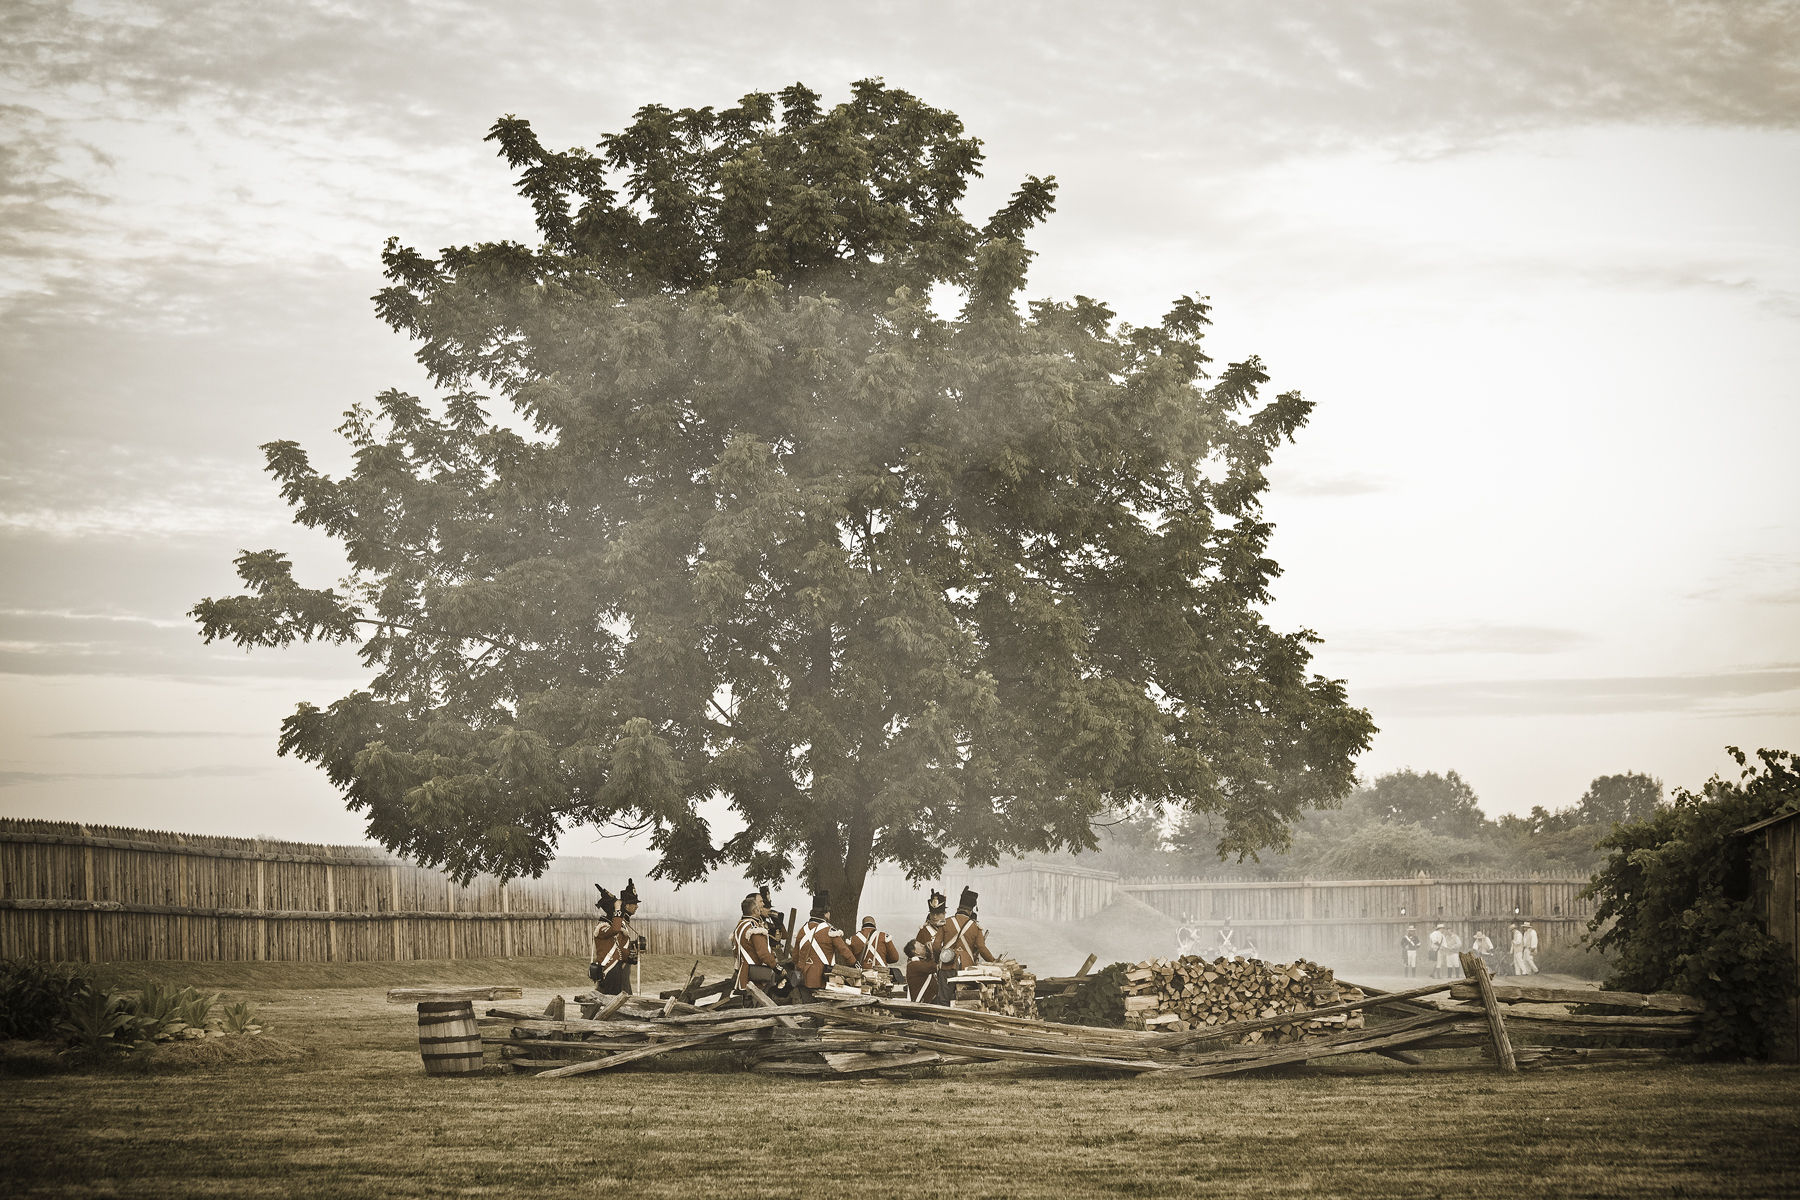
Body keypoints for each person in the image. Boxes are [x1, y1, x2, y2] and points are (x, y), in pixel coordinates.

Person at [789, 891, 854, 1001]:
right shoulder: (830, 931)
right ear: (826, 914)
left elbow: (795, 955)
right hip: (822, 978)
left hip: (803, 976)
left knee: (806, 1006)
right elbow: (844, 951)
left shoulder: (802, 930)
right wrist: (855, 965)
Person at [731, 891, 784, 996]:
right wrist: (778, 968)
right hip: (755, 972)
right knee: (782, 979)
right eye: (760, 903)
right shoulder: (754, 928)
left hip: (744, 970)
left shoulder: (741, 925)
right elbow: (763, 954)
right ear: (755, 910)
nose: (762, 906)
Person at [934, 887, 998, 970]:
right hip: (967, 968)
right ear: (971, 911)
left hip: (946, 966)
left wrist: (938, 959)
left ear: (958, 908)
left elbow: (936, 946)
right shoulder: (976, 927)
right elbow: (982, 948)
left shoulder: (946, 922)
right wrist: (993, 961)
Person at [590, 885, 632, 995]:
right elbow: (615, 929)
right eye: (618, 911)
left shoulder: (613, 928)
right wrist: (617, 908)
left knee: (615, 996)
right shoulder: (601, 928)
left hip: (616, 967)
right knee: (611, 997)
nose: (621, 913)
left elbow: (620, 949)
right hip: (608, 967)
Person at [849, 917, 902, 985]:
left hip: (861, 976)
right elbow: (895, 958)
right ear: (875, 924)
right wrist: (883, 959)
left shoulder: (853, 938)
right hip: (881, 975)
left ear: (862, 925)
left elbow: (849, 961)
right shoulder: (884, 936)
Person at [903, 938, 940, 1003]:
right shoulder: (913, 965)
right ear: (916, 952)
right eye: (920, 945)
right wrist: (932, 951)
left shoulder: (920, 962)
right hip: (925, 1002)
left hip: (930, 1000)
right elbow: (933, 967)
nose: (923, 946)